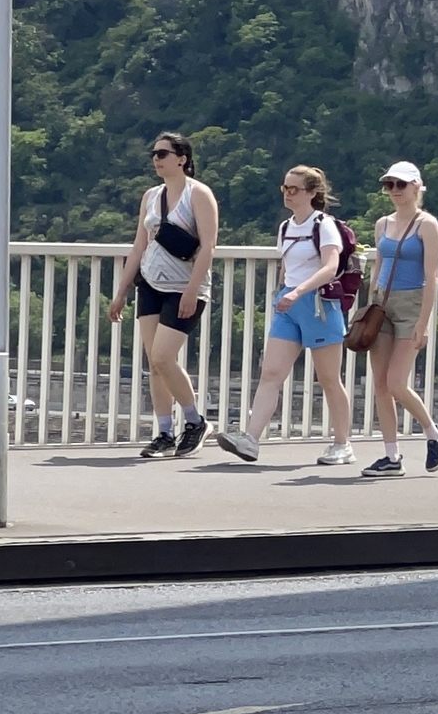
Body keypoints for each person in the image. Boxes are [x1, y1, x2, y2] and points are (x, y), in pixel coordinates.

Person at [216, 167, 355, 466]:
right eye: (285, 188)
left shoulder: (324, 225)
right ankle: (251, 439)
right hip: (289, 304)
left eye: (295, 189)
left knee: (329, 378)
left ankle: (343, 443)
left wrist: (298, 291)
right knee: (271, 372)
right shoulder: (285, 227)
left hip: (318, 304)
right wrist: (284, 292)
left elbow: (330, 266)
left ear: (312, 193)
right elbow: (287, 265)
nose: (288, 194)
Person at [107, 132, 219, 458]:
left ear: (182, 158)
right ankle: (165, 431)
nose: (157, 159)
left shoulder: (199, 195)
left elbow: (208, 246)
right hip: (151, 284)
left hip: (184, 287)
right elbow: (139, 245)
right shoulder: (151, 196)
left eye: (163, 153)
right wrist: (121, 292)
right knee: (154, 365)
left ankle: (195, 421)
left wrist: (192, 290)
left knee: (162, 357)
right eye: (154, 154)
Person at [362, 160, 438, 477]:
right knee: (381, 384)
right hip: (382, 303)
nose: (394, 191)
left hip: (411, 303)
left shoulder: (427, 225)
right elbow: (378, 265)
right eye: (389, 185)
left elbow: (432, 275)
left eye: (400, 184)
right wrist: (370, 306)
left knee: (397, 382)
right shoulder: (383, 224)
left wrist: (423, 324)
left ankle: (433, 432)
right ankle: (391, 455)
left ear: (416, 187)